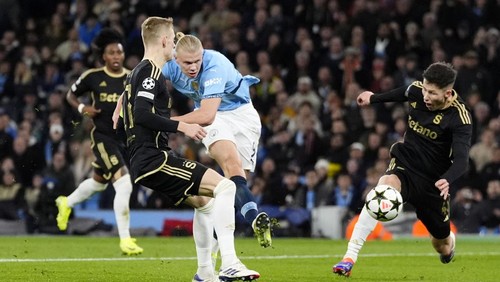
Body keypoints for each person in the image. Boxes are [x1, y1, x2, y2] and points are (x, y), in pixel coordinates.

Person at [118, 16, 260, 281]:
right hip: (154, 159)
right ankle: (230, 263)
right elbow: (142, 115)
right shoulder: (150, 72)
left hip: (145, 158)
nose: (175, 43)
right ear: (163, 41)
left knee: (205, 203)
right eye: (173, 39)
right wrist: (182, 127)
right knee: (226, 187)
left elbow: (131, 110)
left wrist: (120, 111)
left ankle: (205, 273)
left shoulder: (138, 72)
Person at [332, 62, 473, 277]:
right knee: (382, 191)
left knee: (441, 244)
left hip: (434, 182)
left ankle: (449, 246)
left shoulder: (459, 117)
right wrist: (374, 97)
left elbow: (463, 161)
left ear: (447, 93)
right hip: (405, 165)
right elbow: (404, 93)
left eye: (432, 93)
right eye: (425, 89)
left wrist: (448, 179)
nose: (425, 96)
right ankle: (349, 257)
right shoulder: (418, 91)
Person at [160, 32, 272, 248]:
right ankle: (253, 220)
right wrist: (121, 102)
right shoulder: (170, 67)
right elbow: (139, 77)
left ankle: (217, 241)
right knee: (231, 165)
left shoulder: (215, 64)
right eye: (187, 63)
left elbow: (205, 116)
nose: (193, 67)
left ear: (203, 55)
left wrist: (163, 121)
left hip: (242, 116)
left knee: (233, 185)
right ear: (176, 59)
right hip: (214, 116)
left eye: (197, 61)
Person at [55, 28, 143, 255]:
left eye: (119, 52)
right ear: (103, 56)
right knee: (124, 184)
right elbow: (70, 96)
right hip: (103, 138)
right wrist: (83, 108)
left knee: (98, 183)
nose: (116, 56)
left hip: (124, 140)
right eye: (111, 53)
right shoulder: (92, 77)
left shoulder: (132, 77)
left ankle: (66, 202)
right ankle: (125, 239)